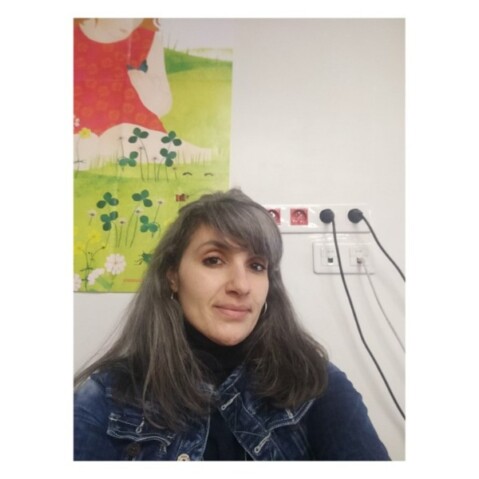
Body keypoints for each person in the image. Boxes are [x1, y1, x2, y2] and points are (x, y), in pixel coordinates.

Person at [74, 188, 390, 461]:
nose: (241, 285)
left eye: (256, 265)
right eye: (214, 260)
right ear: (173, 276)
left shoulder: (316, 384)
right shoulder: (107, 396)